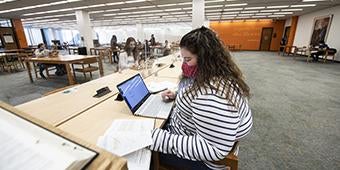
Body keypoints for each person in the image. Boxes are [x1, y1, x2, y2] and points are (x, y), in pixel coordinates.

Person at [149, 27, 253, 170]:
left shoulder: (211, 97)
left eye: (188, 59)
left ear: (206, 59)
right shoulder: (221, 76)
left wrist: (155, 138)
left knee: (141, 153)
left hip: (203, 160)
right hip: (188, 132)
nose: (184, 65)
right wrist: (178, 95)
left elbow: (213, 150)